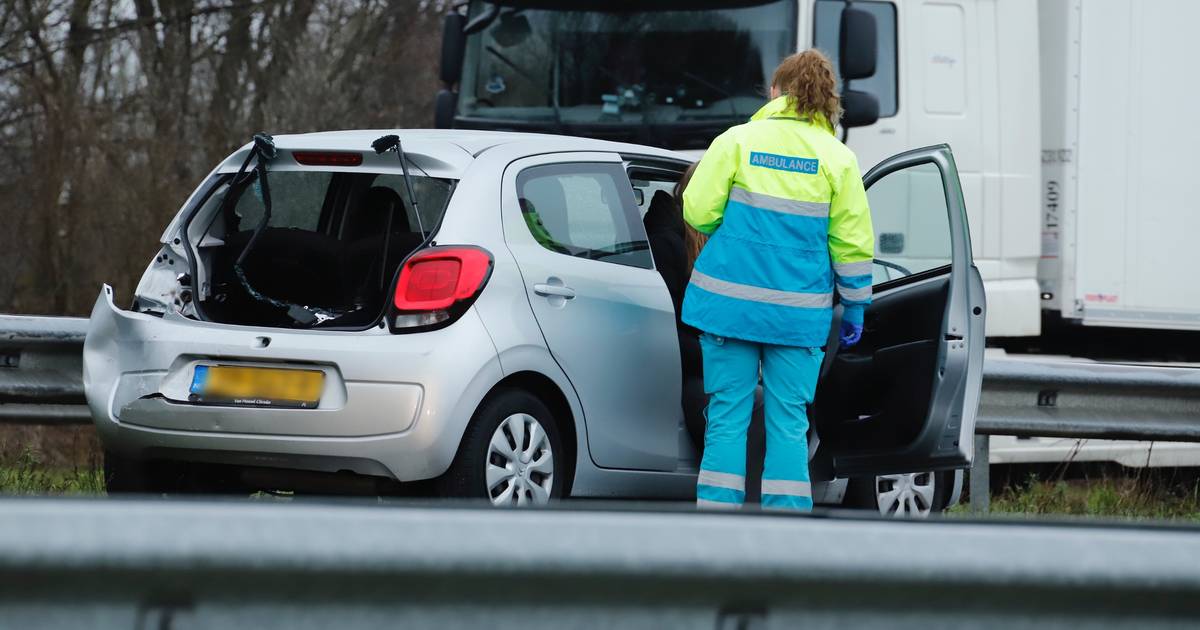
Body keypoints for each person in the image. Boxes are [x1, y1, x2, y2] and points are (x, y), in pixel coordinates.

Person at [682, 50, 875, 512]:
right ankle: (785, 532)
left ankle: (715, 524)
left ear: (775, 92)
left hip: (729, 308)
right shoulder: (838, 159)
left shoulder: (736, 141)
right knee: (789, 424)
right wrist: (856, 305)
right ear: (829, 100)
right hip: (796, 317)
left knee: (726, 419)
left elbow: (697, 211)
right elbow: (852, 243)